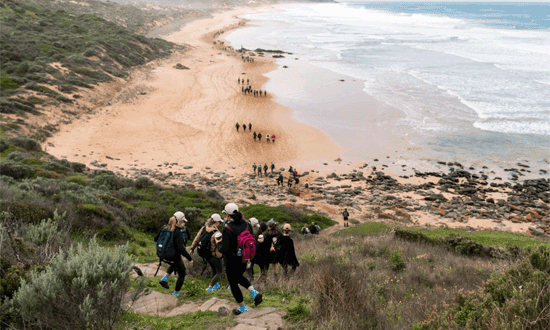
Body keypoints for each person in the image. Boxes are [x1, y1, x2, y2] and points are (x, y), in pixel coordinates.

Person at [221, 203, 263, 315]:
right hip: (245, 258)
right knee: (239, 277)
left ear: (227, 215)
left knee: (233, 283)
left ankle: (242, 307)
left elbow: (226, 250)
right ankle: (254, 293)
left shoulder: (227, 228)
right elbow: (251, 239)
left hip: (232, 260)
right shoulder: (246, 224)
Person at [155, 212, 194, 297]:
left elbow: (155, 239)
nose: (183, 223)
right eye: (183, 221)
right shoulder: (177, 232)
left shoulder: (164, 227)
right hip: (172, 256)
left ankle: (164, 279)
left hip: (162, 254)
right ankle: (176, 293)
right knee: (182, 272)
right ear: (179, 221)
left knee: (175, 263)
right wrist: (190, 258)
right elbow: (181, 249)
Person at [189, 214, 224, 292]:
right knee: (219, 272)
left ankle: (216, 285)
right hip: (213, 255)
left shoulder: (204, 227)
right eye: (219, 222)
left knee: (214, 269)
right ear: (217, 222)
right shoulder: (216, 232)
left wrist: (192, 248)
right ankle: (210, 287)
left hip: (205, 254)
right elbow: (219, 246)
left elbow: (197, 238)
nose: (219, 224)